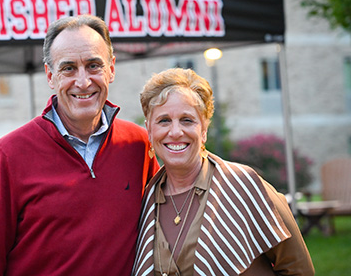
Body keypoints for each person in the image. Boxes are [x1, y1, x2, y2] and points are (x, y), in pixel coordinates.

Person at [0, 15, 159, 276]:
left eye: (94, 66)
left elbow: (164, 227)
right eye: (68, 68)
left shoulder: (138, 144)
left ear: (111, 69)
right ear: (50, 75)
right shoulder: (8, 155)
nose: (83, 82)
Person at [133, 68, 314, 276]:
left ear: (204, 131)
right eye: (164, 120)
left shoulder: (244, 185)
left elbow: (299, 270)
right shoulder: (145, 200)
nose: (175, 132)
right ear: (149, 130)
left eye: (187, 120)